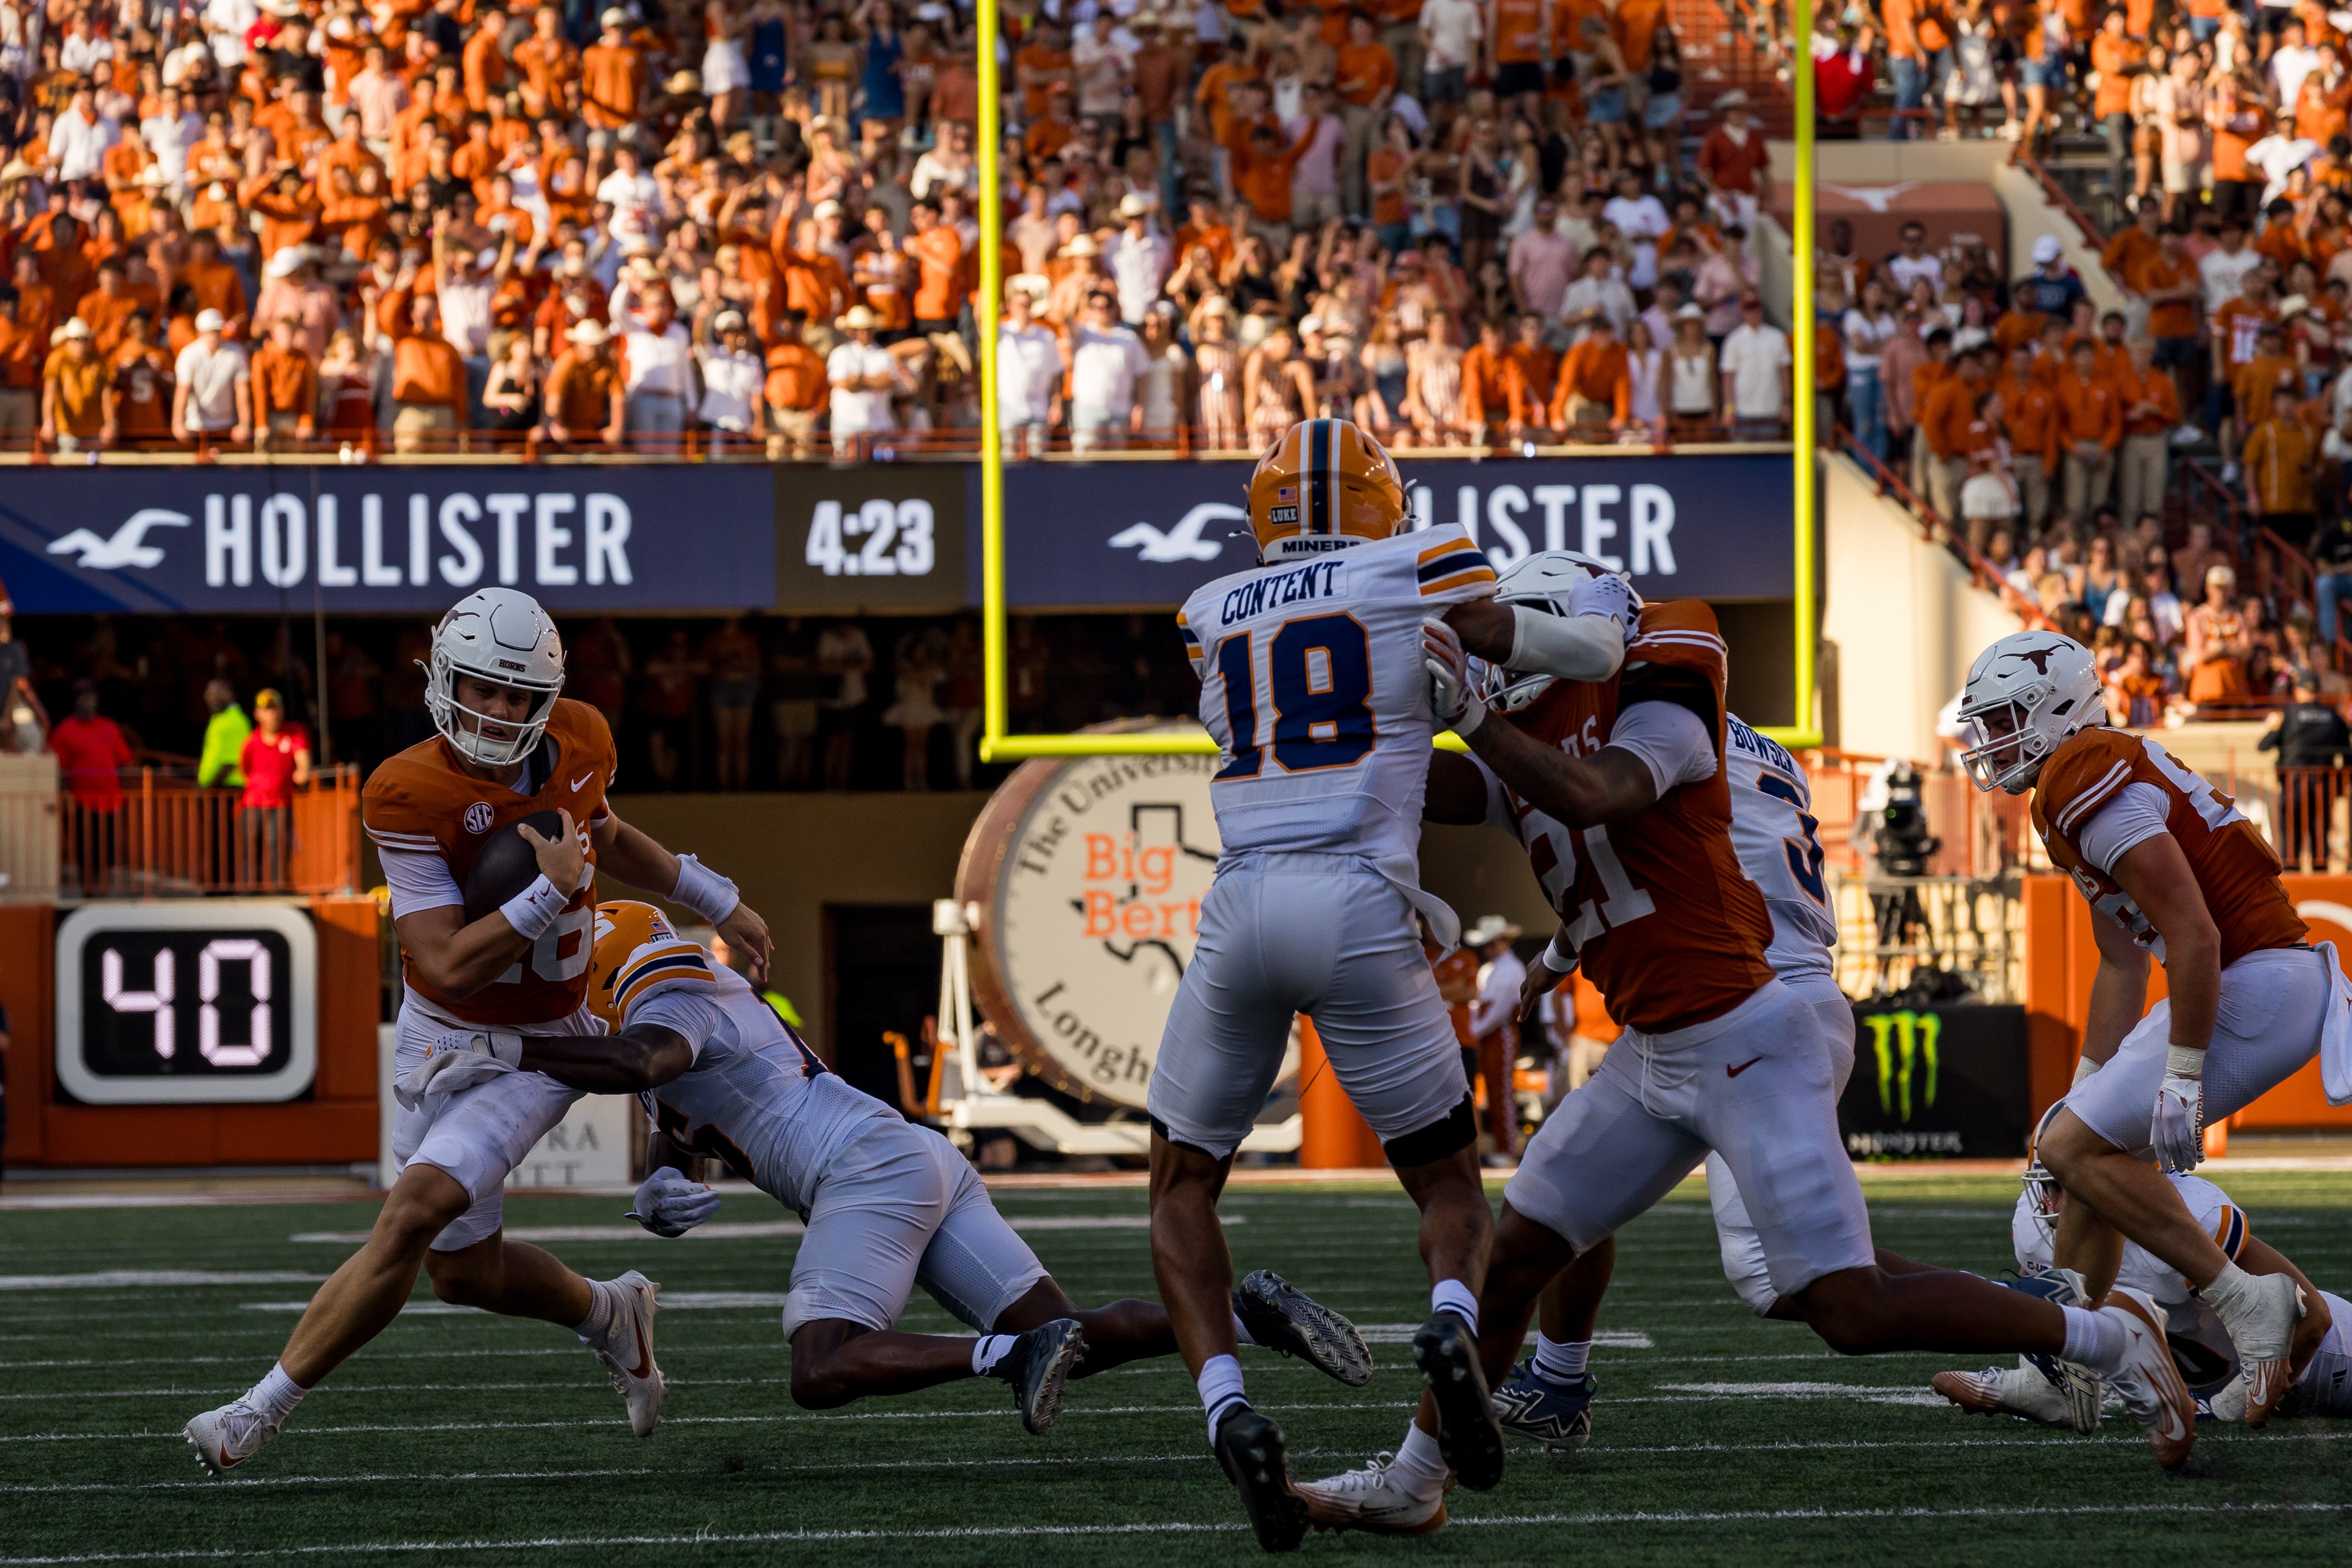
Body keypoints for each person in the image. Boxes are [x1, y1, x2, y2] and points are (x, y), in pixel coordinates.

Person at [1310, 573, 2204, 1529]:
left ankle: (2105, 1333)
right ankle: (1417, 1476)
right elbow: (1423, 784)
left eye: (1504, 642)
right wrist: (1334, 718)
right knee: (1517, 1250)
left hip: (1743, 1024)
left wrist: (1471, 716)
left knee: (1841, 1306)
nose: (1492, 662)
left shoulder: (1662, 691)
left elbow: (1589, 788)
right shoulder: (1536, 740)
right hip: (1656, 1042)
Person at [1152, 422, 1638, 1548]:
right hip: (1360, 900)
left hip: (1239, 903)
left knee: (1179, 1183)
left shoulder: (1207, 608)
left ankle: (1225, 1405)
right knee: (1451, 1192)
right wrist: (1472, 674)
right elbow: (1586, 658)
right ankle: (1454, 1327)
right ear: (1383, 503)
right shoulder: (1421, 559)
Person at [185, 588, 774, 1475]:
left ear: (546, 699)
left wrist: (713, 895)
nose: (497, 711)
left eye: (516, 695)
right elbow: (449, 961)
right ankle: (610, 1313)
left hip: (541, 1041)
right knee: (462, 1271)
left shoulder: (581, 735)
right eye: (481, 689)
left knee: (412, 1211)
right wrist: (546, 890)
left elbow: (604, 831)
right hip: (441, 1029)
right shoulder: (405, 789)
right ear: (442, 677)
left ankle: (256, 1411)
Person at [421, 901, 1374, 1428]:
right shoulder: (693, 991)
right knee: (1065, 1332)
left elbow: (648, 1057)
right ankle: (1246, 1317)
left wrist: (512, 1053)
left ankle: (1006, 1355)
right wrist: (673, 1171)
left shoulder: (662, 987)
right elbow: (699, 1088)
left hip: (862, 1167)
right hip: (906, 1151)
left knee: (819, 1364)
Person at [1956, 630, 2328, 1432]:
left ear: (2057, 704)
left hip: (2256, 976)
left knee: (2069, 1148)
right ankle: (2068, 1368)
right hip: (2255, 975)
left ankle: (2244, 1299)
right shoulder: (2077, 775)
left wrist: (2182, 1073)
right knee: (2081, 1144)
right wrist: (2087, 1085)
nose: (1990, 742)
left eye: (2004, 718)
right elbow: (2123, 960)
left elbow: (2194, 935)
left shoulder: (2082, 773)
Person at [1488, 710, 1849, 1455]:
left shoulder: (1657, 729)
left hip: (1747, 997)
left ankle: (2032, 1309)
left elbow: (1617, 837)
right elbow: (1637, 857)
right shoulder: (1756, 743)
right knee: (1564, 1191)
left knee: (1774, 1272)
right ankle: (1556, 1382)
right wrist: (1556, 960)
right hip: (1731, 989)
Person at [1936, 1127, 2344, 1425]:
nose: (2055, 1202)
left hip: (2326, 1360)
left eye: (2070, 1184)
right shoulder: (2034, 1230)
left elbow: (2313, 1319)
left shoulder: (2190, 1218)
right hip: (2210, 1382)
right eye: (2052, 1184)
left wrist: (2229, 1406)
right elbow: (2055, 1319)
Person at [2259, 672, 2352, 870]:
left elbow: (2263, 746)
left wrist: (2272, 726)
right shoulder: (2334, 718)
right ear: (2318, 691)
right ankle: (2320, 885)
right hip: (2324, 787)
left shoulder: (2288, 715)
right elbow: (2347, 757)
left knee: (2291, 841)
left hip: (2294, 785)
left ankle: (2293, 884)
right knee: (2320, 840)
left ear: (2298, 691)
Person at [235, 689, 311, 886]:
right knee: (249, 847)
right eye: (267, 710)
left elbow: (302, 756)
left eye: (276, 709)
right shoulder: (251, 742)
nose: (273, 714)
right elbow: (244, 769)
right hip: (253, 803)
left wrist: (302, 771)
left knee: (277, 844)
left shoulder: (294, 732)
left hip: (280, 802)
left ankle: (278, 888)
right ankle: (248, 889)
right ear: (258, 714)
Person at [1462, 915, 1523, 1160]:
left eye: (1493, 943)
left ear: (1504, 942)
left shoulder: (1512, 969)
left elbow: (1500, 1010)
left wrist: (1474, 1031)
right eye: (1486, 944)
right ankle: (1499, 1144)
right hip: (1486, 1034)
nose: (1488, 949)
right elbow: (1480, 1005)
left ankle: (1507, 1147)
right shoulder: (1488, 970)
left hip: (1501, 1033)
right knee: (1488, 1090)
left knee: (1501, 1090)